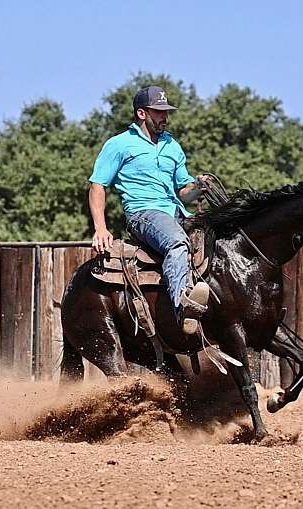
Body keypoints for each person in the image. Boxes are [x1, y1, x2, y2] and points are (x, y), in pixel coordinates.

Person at [88, 85, 210, 335]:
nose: (165, 117)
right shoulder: (120, 144)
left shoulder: (172, 146)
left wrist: (199, 187)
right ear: (142, 114)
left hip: (177, 213)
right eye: (159, 112)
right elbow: (97, 185)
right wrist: (100, 228)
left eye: (166, 112)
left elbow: (183, 192)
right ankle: (183, 307)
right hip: (144, 214)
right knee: (177, 244)